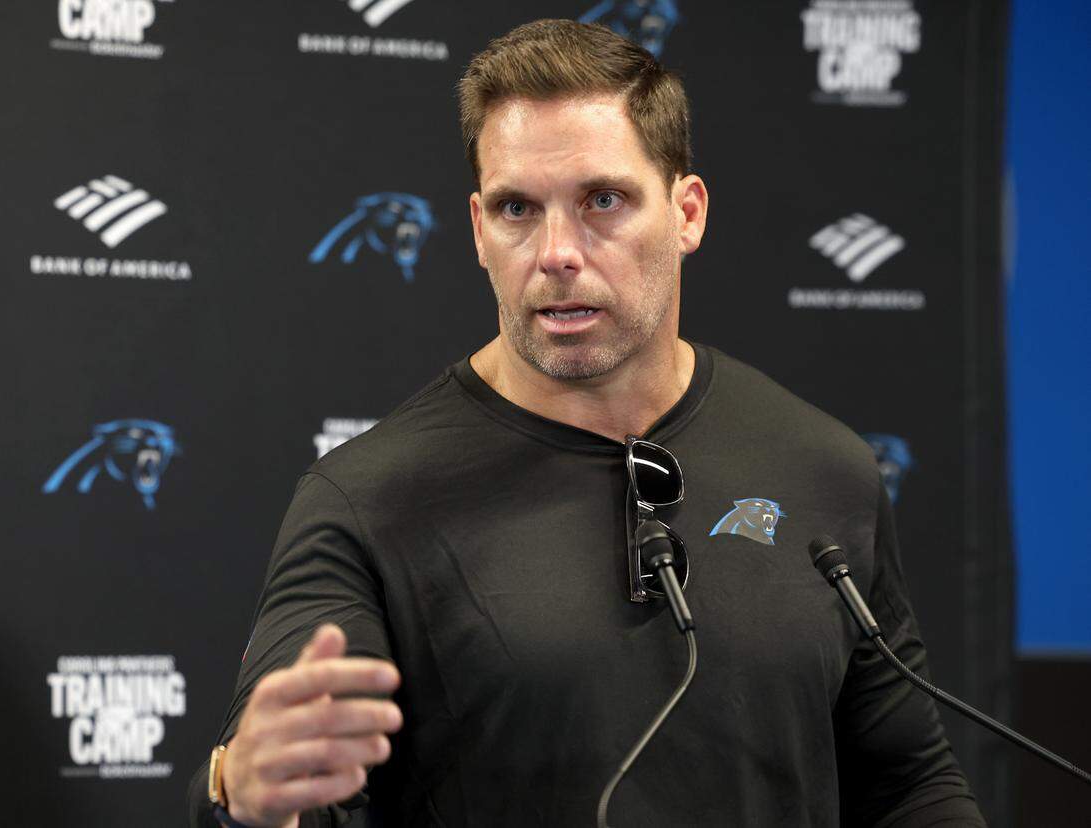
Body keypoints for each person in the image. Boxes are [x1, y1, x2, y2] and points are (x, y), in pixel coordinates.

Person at [189, 19, 985, 827]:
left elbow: (910, 787)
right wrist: (246, 794)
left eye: (602, 200)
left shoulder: (822, 465)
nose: (557, 251)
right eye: (517, 209)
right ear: (476, 231)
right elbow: (285, 794)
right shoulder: (365, 501)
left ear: (688, 213)